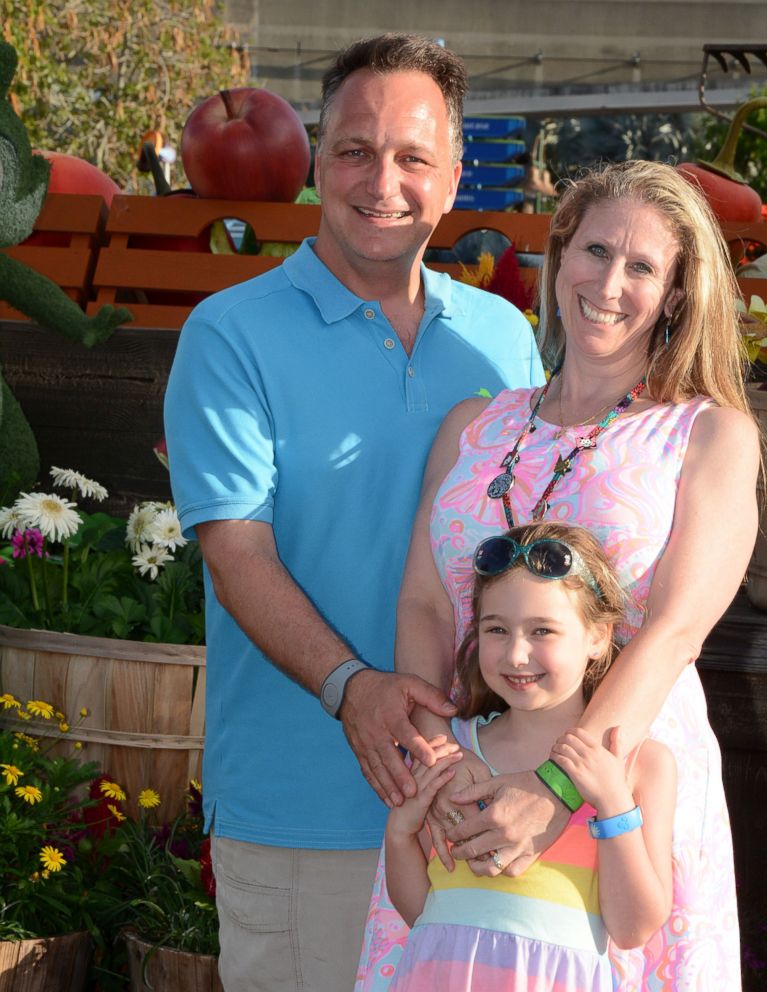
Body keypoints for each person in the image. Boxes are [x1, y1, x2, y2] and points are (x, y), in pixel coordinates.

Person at [163, 33, 544, 992]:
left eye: (414, 156)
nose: (383, 180)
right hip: (310, 813)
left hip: (485, 805)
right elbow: (235, 549)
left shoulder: (505, 339)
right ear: (315, 167)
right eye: (353, 150)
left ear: (454, 179)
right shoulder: (229, 335)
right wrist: (350, 687)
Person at [357, 160, 760, 990]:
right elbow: (426, 603)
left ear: (677, 293)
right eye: (595, 249)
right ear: (558, 256)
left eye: (643, 266)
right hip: (468, 773)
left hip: (624, 791)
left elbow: (676, 630)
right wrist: (442, 767)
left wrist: (554, 791)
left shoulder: (709, 435)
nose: (609, 282)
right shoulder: (474, 425)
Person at [385, 522, 677, 991]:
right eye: (496, 629)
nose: (517, 655)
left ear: (599, 637)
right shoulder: (453, 751)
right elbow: (423, 911)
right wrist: (401, 833)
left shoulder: (638, 765)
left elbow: (632, 927)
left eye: (542, 630)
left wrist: (613, 805)